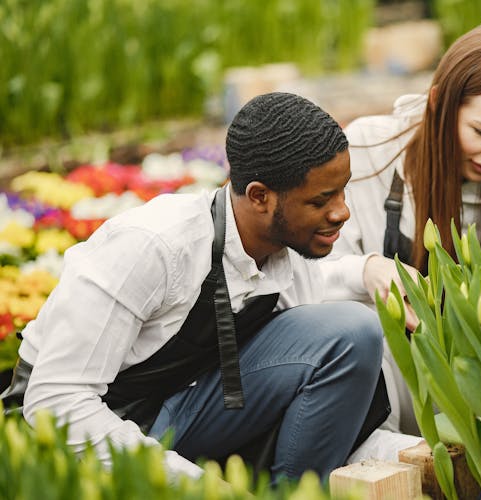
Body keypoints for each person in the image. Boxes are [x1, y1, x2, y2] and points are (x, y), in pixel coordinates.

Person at [0, 92, 393, 483]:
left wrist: (365, 272)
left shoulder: (286, 250)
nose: (342, 211)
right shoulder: (154, 246)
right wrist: (198, 486)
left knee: (351, 332)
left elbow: (316, 336)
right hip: (75, 431)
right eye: (322, 200)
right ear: (260, 196)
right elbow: (55, 402)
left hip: (178, 409)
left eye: (343, 191)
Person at [321, 24, 481, 435]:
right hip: (384, 391)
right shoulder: (372, 151)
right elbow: (299, 278)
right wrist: (367, 270)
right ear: (439, 102)